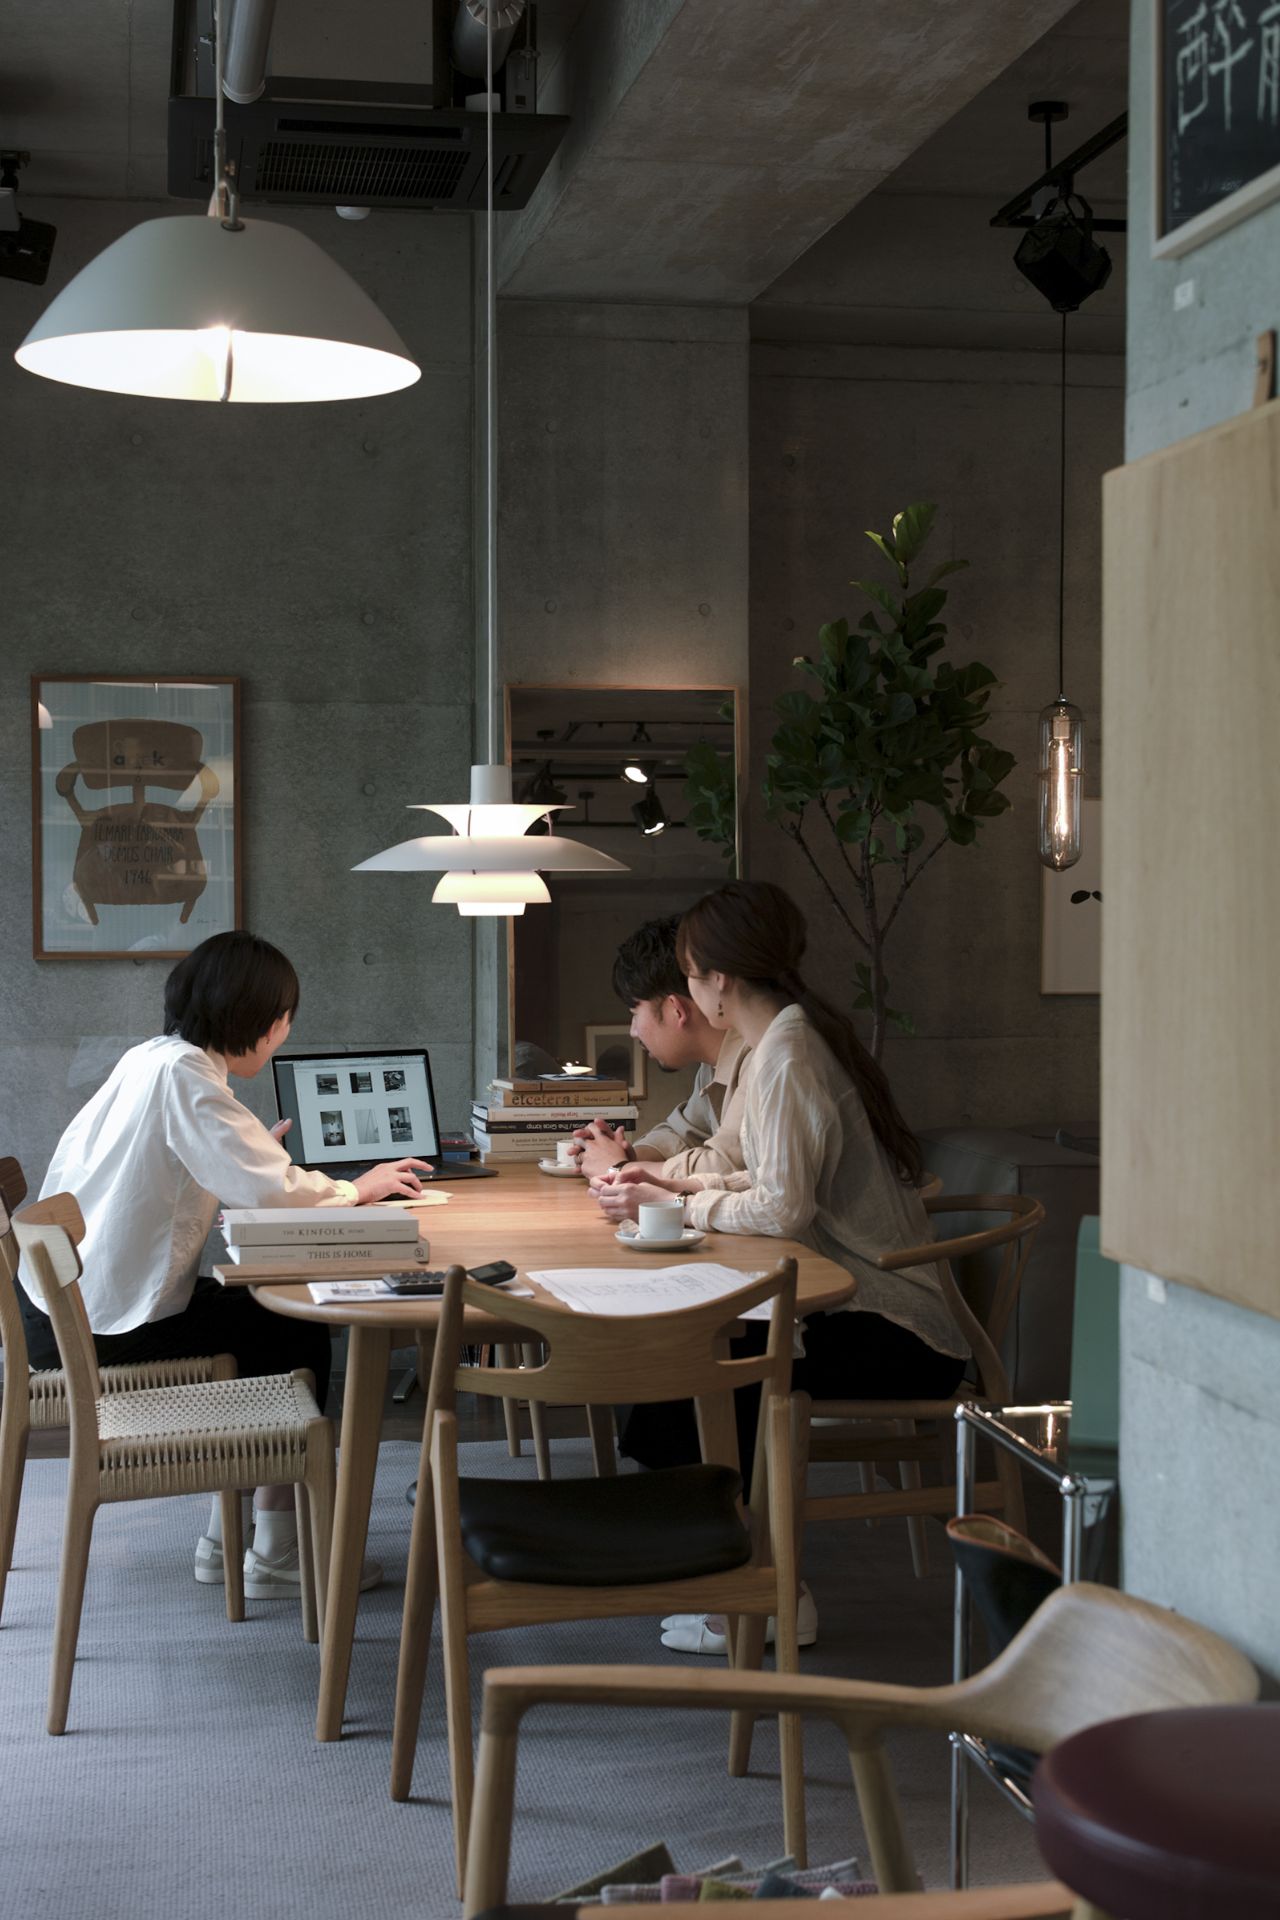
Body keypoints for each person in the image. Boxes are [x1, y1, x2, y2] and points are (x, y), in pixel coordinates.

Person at [591, 881, 967, 1653]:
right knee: (686, 1358)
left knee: (705, 1367)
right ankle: (729, 1571)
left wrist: (679, 1203)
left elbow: (782, 1209)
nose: (688, 991)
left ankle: (767, 1596)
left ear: (717, 979)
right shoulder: (781, 1044)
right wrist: (674, 1186)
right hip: (850, 1305)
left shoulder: (787, 1055)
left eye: (689, 974)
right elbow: (761, 1181)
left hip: (897, 1328)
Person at [17, 930, 431, 1597]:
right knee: (292, 1327)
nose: (284, 1032)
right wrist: (359, 1187)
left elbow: (194, 1170)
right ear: (262, 1021)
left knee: (262, 1317)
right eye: (284, 1018)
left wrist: (249, 1155)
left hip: (60, 1308)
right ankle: (274, 1550)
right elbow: (275, 1193)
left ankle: (228, 1539)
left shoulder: (153, 1057)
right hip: (105, 1330)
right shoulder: (188, 1078)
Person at [570, 915, 749, 1182]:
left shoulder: (759, 1057)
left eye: (635, 1013)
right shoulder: (712, 1065)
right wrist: (625, 1154)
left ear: (676, 1009)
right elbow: (682, 1133)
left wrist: (619, 1167)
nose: (633, 1031)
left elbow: (727, 1165)